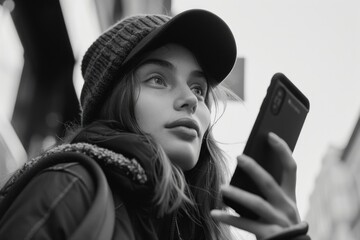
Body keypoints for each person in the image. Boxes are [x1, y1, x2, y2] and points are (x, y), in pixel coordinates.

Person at [0, 9, 310, 240]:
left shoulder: (197, 228)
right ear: (115, 101)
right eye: (158, 80)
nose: (190, 99)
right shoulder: (71, 185)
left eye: (199, 89)